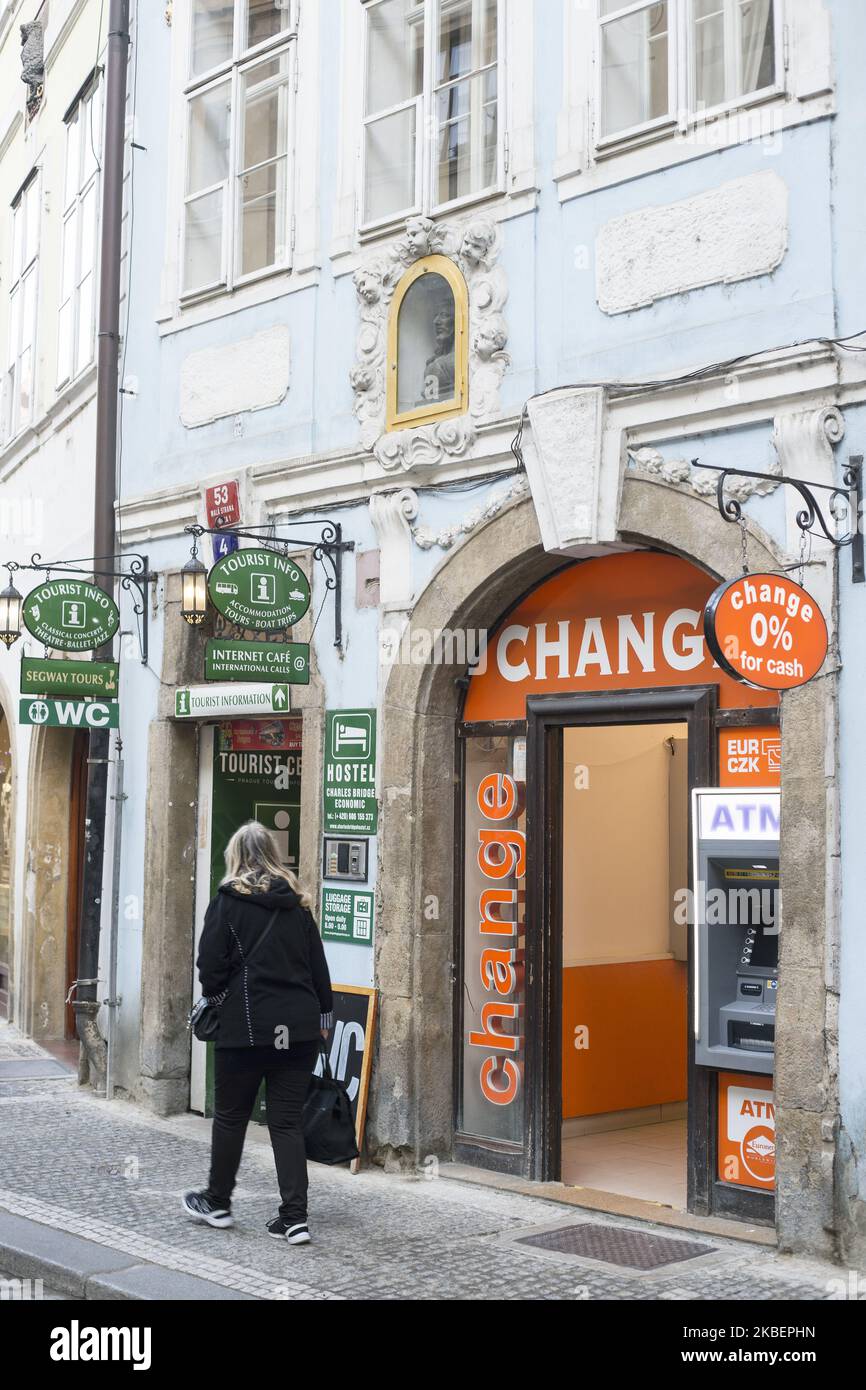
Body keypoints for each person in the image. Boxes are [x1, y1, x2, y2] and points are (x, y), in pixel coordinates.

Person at [183, 821, 333, 1246]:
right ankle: (294, 1218)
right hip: (298, 1030)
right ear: (273, 854)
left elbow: (209, 967)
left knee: (231, 1117)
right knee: (287, 1122)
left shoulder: (227, 903)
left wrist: (216, 996)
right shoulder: (298, 904)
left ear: (235, 855)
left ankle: (217, 1201)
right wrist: (323, 1019)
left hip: (246, 1028)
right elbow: (319, 969)